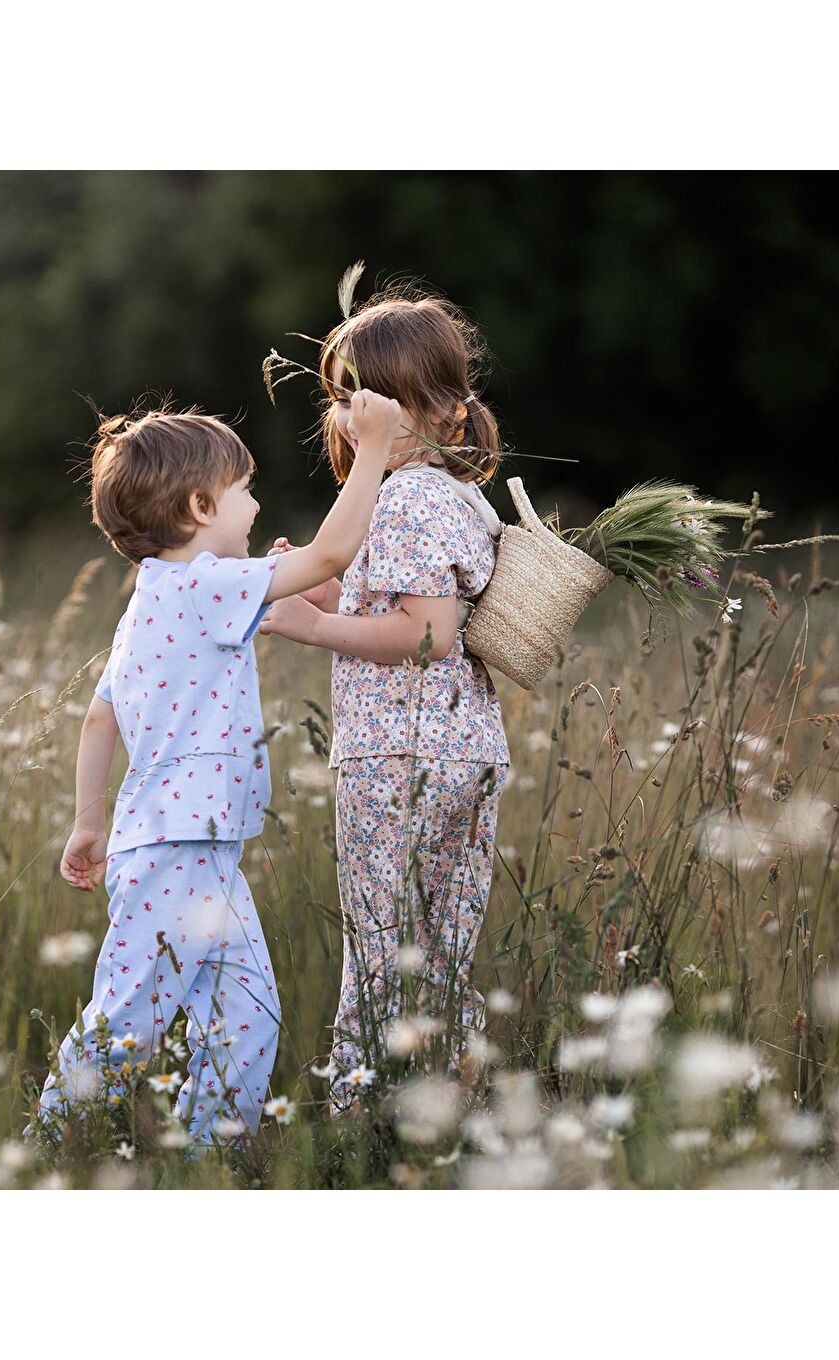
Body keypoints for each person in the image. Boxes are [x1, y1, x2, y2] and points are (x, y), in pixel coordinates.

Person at [28, 392, 400, 1146]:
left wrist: (90, 820)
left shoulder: (154, 601)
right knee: (128, 1018)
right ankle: (44, 1146)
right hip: (176, 855)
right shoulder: (202, 587)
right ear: (200, 506)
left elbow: (100, 718)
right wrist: (374, 451)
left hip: (198, 853)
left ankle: (206, 1158)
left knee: (248, 1016)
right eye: (245, 489)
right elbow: (329, 555)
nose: (257, 503)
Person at [259, 290, 510, 1108]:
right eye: (341, 400)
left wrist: (307, 626)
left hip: (398, 757)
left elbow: (423, 634)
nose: (352, 418)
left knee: (378, 955)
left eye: (368, 401)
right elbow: (401, 611)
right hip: (463, 752)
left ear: (437, 409)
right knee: (438, 960)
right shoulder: (457, 496)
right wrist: (333, 601)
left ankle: (361, 1127)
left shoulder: (404, 499)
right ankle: (451, 1110)